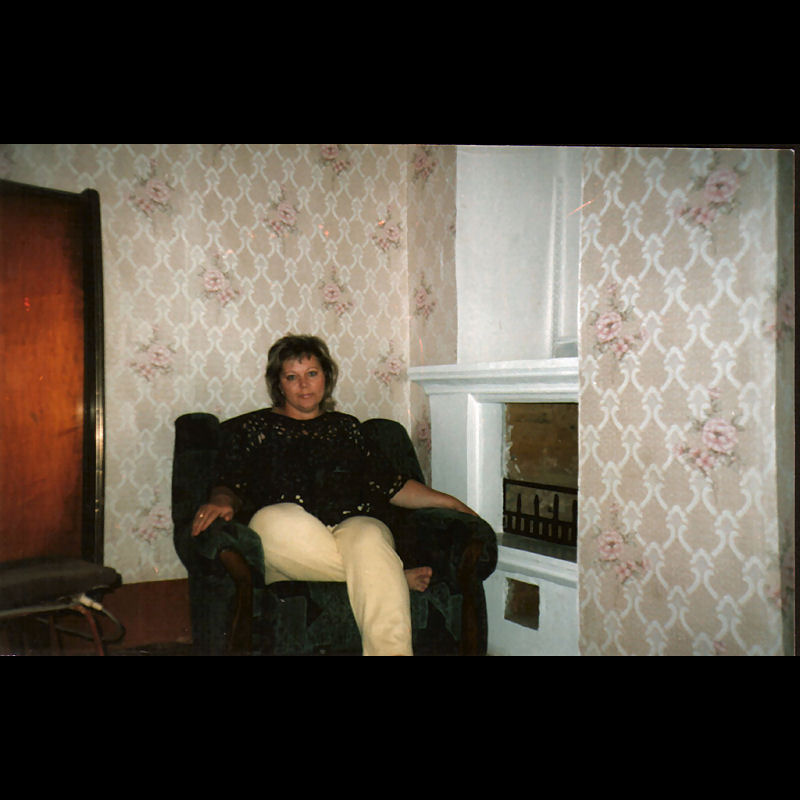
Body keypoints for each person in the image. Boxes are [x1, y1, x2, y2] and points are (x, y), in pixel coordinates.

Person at [191, 334, 476, 656]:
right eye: (292, 376)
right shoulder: (254, 429)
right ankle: (390, 576)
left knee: (369, 535)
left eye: (312, 373)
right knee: (273, 519)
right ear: (278, 384)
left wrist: (447, 501)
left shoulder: (347, 428)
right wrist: (222, 499)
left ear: (326, 377)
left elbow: (391, 484)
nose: (303, 384)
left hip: (351, 527)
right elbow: (230, 478)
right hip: (290, 541)